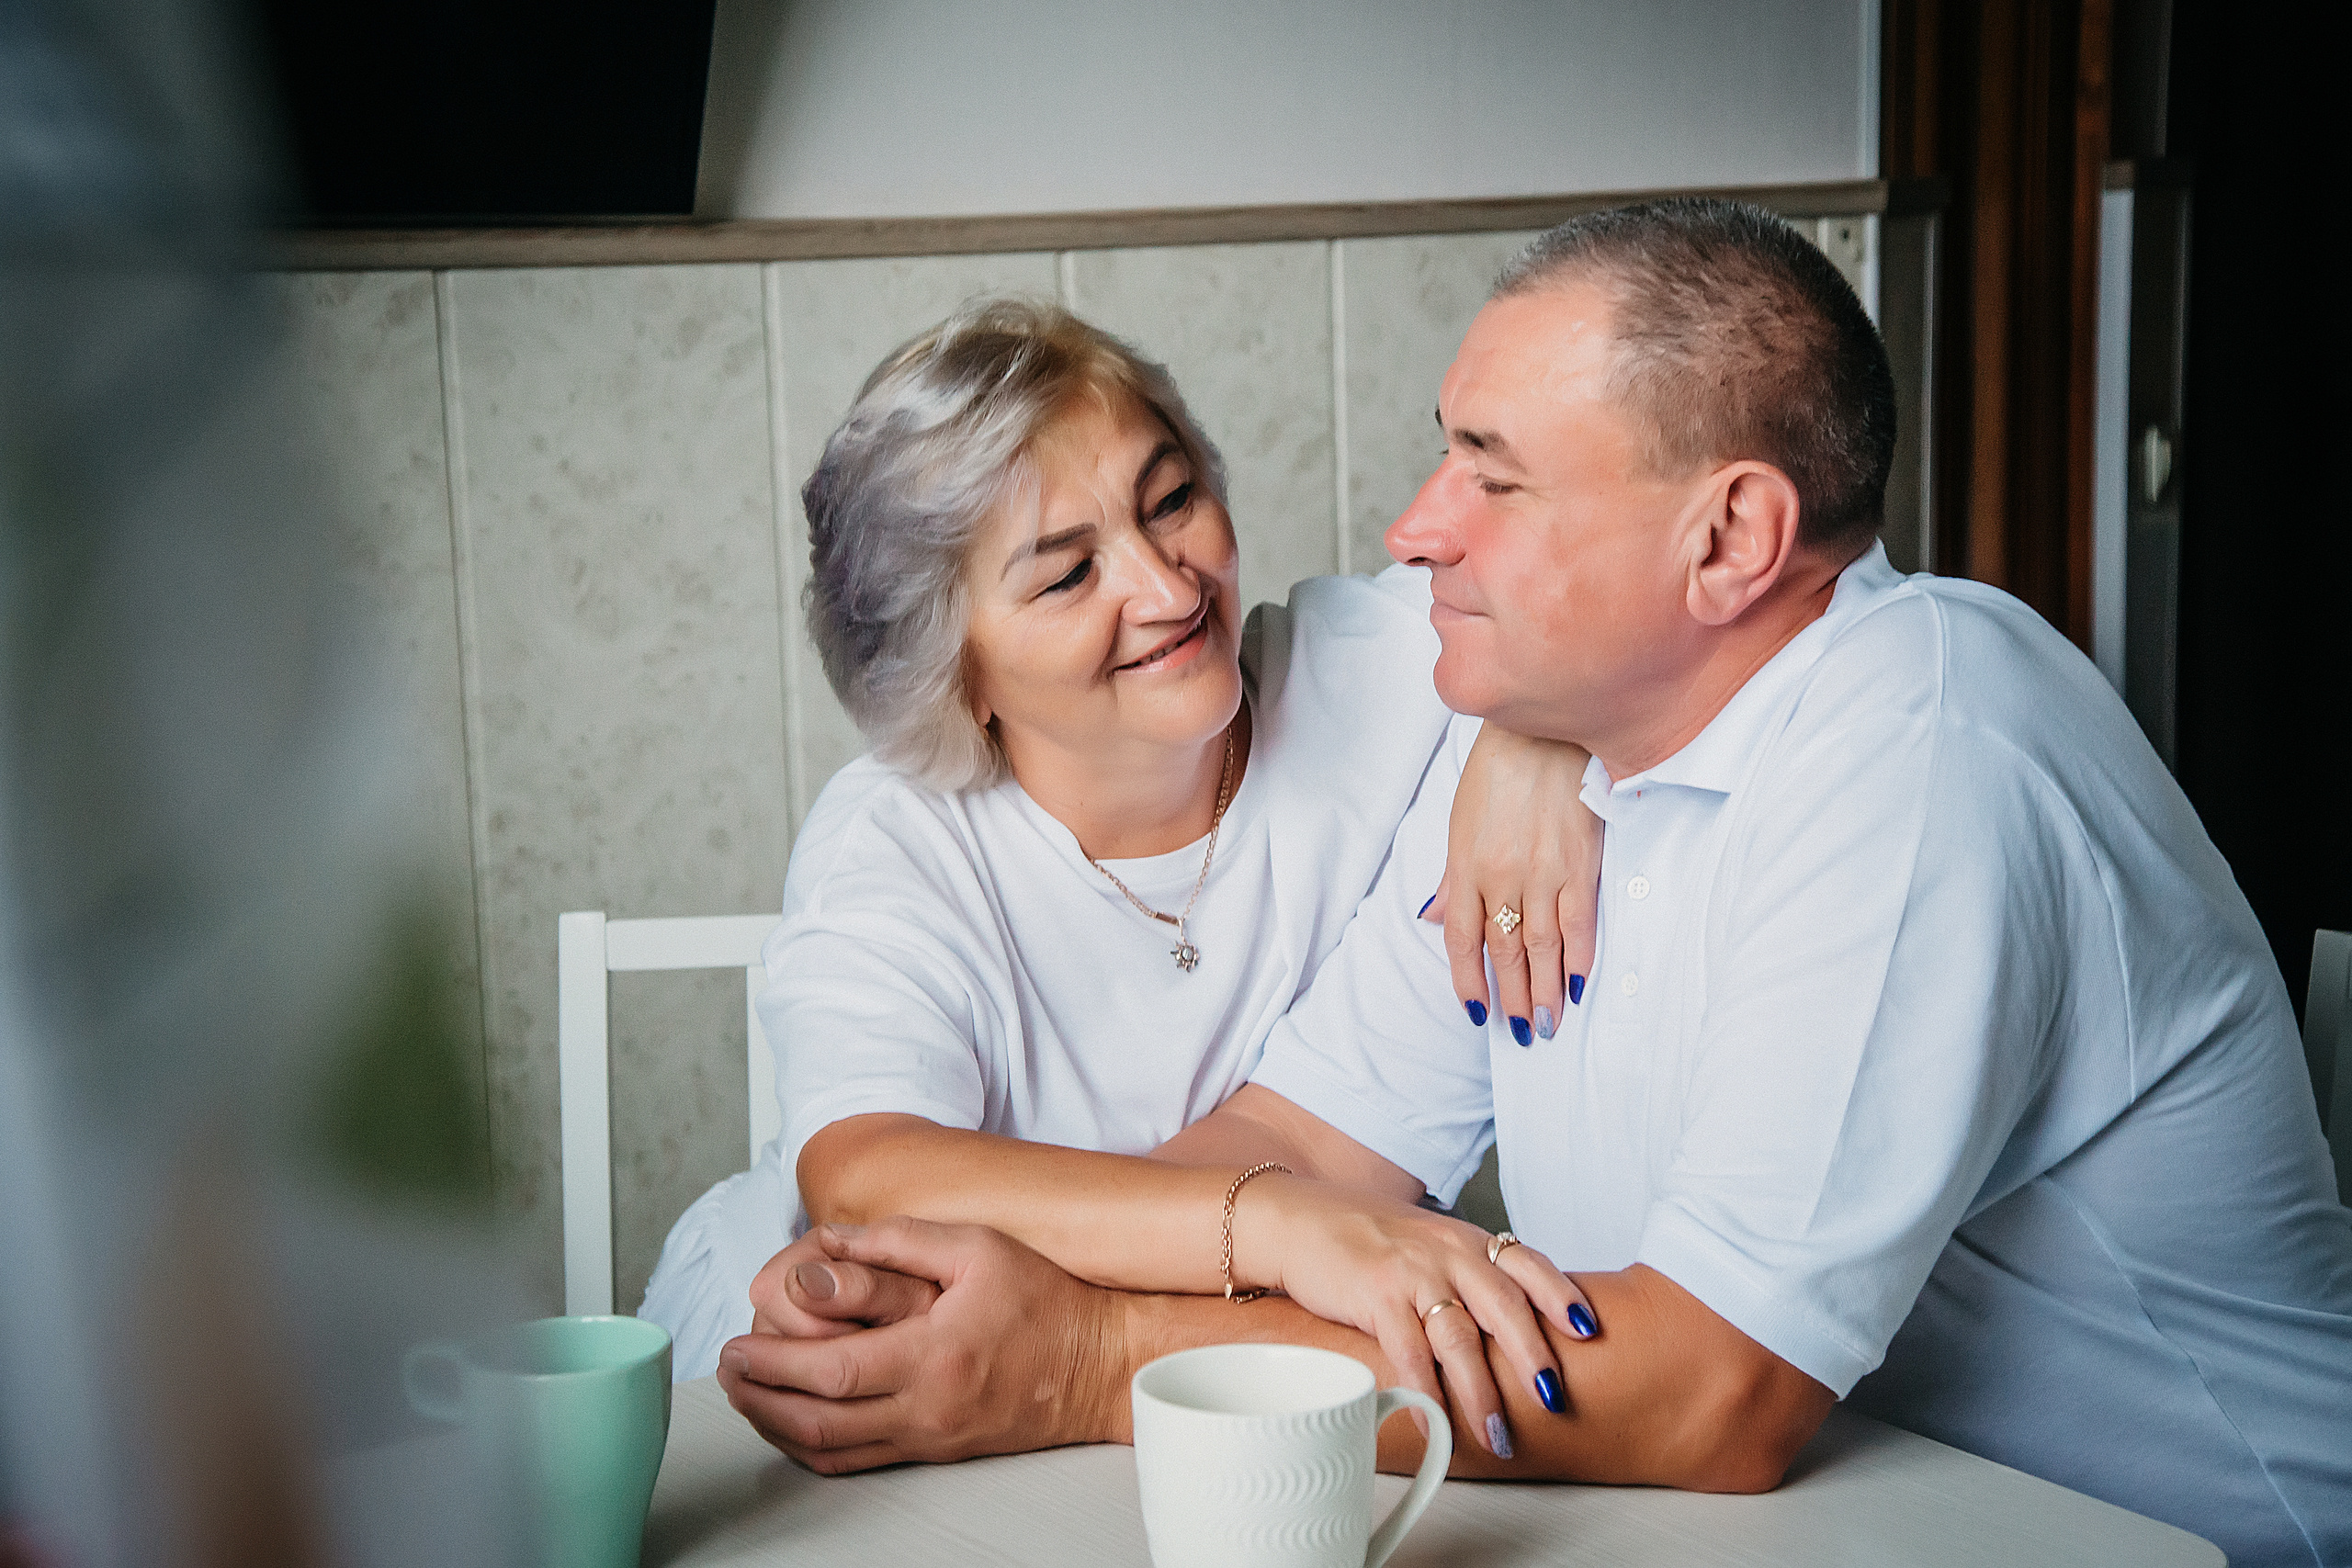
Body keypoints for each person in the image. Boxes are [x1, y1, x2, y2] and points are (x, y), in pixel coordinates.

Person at [718, 200, 2352, 1568]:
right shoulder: (1578, 755)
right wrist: (941, 1307)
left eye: (1491, 478)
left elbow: (1710, 1391)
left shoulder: (1924, 747)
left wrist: (1088, 1362)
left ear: (1729, 540)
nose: (1413, 527)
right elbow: (1301, 1145)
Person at [639, 298, 1606, 1457]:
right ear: (953, 672)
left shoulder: (1372, 664)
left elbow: (1611, 586)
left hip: (1177, 1376)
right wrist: (1283, 1226)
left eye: (1171, 501)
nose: (1167, 589)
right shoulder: (889, 845)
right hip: (846, 1376)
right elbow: (870, 1178)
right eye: (1066, 576)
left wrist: (1539, 726)